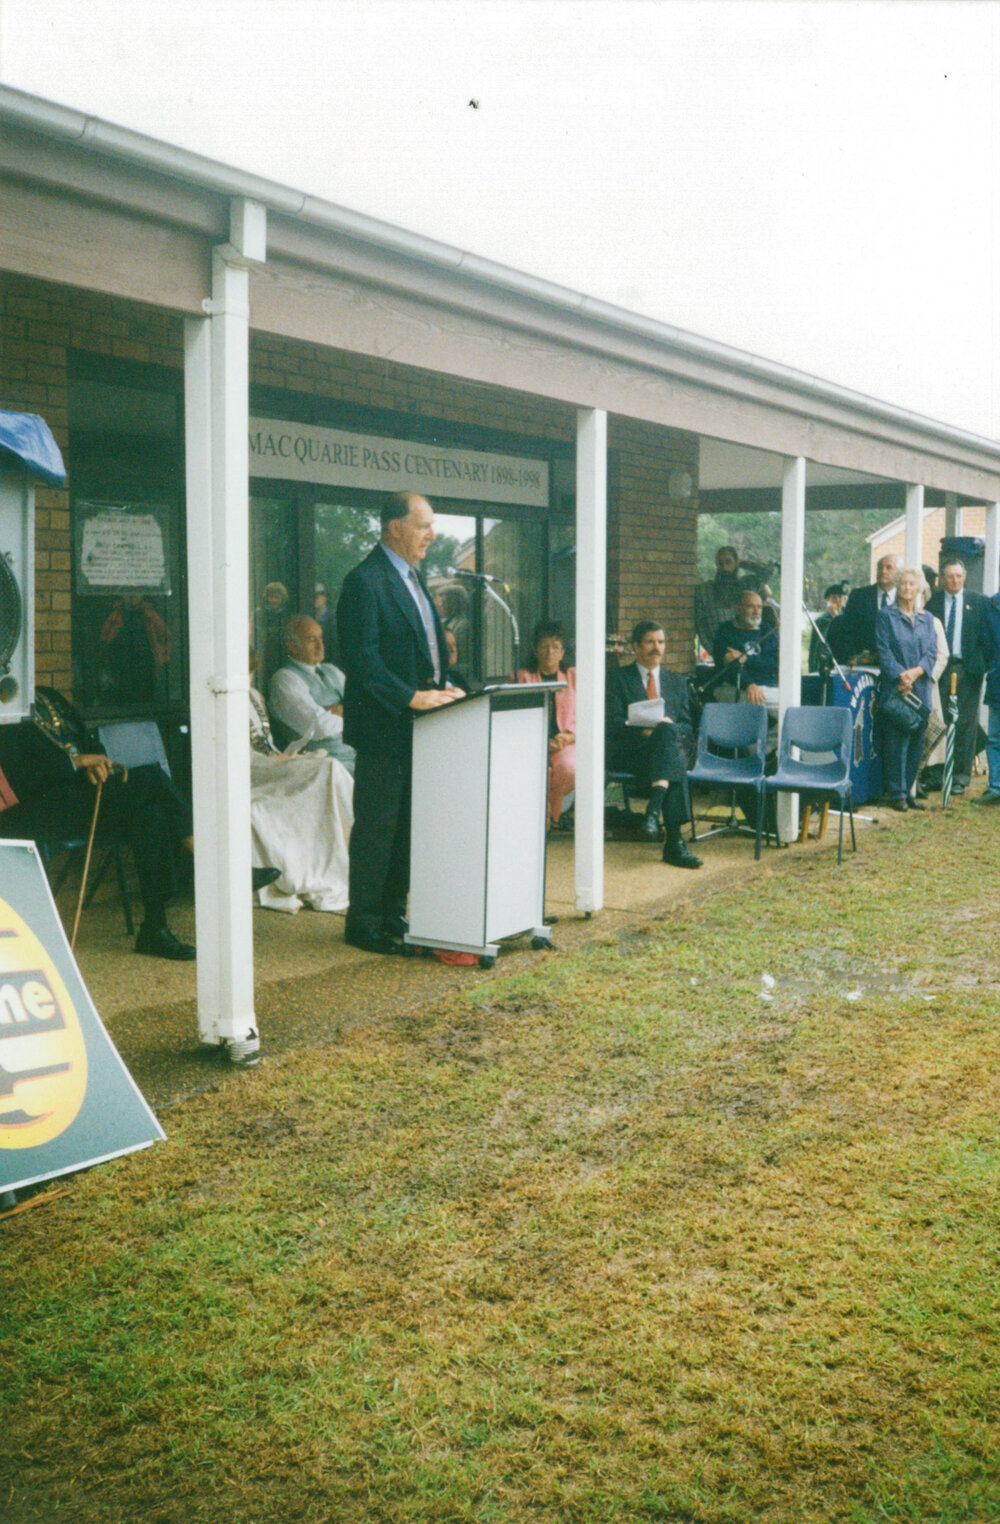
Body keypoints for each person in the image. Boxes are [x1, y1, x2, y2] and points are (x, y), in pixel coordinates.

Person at [336, 490, 464, 954]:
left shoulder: (415, 577)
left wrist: (445, 687)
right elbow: (363, 660)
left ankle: (393, 912)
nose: (432, 535)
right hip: (385, 726)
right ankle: (364, 922)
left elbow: (425, 647)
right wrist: (411, 696)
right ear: (394, 527)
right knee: (377, 827)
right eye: (422, 525)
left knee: (408, 826)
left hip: (422, 725)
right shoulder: (364, 582)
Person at [0, 687, 196, 959]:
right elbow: (20, 777)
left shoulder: (48, 697)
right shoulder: (6, 706)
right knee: (151, 779)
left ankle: (155, 928)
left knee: (152, 814)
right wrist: (75, 762)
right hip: (33, 812)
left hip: (78, 799)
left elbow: (88, 741)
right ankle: (202, 857)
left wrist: (95, 764)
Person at [249, 654, 354, 914]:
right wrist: (277, 760)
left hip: (274, 759)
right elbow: (318, 723)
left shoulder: (253, 695)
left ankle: (350, 859)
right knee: (327, 767)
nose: (320, 646)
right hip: (255, 770)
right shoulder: (224, 696)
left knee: (327, 768)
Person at [606, 619, 701, 869]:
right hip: (632, 751)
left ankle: (653, 814)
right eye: (650, 642)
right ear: (636, 646)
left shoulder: (677, 682)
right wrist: (644, 729)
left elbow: (688, 726)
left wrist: (665, 728)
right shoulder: (617, 678)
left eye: (660, 642)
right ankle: (674, 843)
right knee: (673, 760)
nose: (656, 648)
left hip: (664, 752)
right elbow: (611, 722)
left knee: (669, 734)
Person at [925, 558, 991, 796]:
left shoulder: (979, 602)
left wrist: (981, 664)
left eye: (959, 576)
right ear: (942, 579)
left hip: (968, 670)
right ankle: (936, 774)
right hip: (940, 667)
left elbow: (990, 636)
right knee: (939, 721)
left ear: (964, 578)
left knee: (964, 723)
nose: (954, 581)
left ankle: (960, 777)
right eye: (950, 576)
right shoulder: (934, 602)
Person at [875, 567, 937, 812]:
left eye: (912, 584)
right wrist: (902, 674)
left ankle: (910, 790)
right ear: (897, 587)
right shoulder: (885, 616)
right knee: (896, 742)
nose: (907, 588)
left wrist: (916, 672)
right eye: (903, 584)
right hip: (897, 688)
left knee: (917, 741)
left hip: (920, 687)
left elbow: (932, 652)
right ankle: (897, 793)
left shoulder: (927, 618)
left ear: (919, 587)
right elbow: (883, 650)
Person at [268, 615, 356, 774]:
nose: (320, 645)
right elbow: (320, 726)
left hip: (357, 757)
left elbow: (364, 705)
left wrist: (335, 710)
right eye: (311, 640)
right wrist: (353, 713)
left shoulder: (332, 671)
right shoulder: (285, 679)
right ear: (292, 647)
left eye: (320, 638)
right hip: (326, 767)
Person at [516, 620, 576, 828]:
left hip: (566, 741)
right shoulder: (523, 677)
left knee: (568, 768)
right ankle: (544, 818)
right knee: (538, 771)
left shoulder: (573, 676)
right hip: (533, 742)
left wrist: (569, 736)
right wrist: (540, 740)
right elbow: (518, 718)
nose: (550, 652)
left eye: (556, 646)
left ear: (562, 652)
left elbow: (587, 714)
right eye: (544, 646)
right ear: (534, 650)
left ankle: (552, 814)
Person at [711, 589, 779, 705]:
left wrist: (746, 658)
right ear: (737, 608)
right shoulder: (726, 631)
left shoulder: (767, 630)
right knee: (785, 708)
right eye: (751, 607)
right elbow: (730, 667)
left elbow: (774, 663)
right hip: (734, 687)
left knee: (792, 707)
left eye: (760, 607)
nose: (756, 612)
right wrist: (748, 684)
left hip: (768, 686)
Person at [828, 554, 900, 665]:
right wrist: (854, 657)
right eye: (880, 567)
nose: (883, 571)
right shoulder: (859, 596)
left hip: (895, 665)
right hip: (862, 663)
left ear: (899, 572)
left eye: (889, 567)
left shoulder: (903, 598)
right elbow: (846, 630)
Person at [972, 588, 1000, 805]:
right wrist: (993, 667)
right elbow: (983, 642)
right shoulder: (991, 606)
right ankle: (996, 788)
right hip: (998, 681)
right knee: (995, 738)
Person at [693, 545, 746, 655]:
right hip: (720, 653)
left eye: (728, 562)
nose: (724, 568)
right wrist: (715, 653)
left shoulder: (743, 587)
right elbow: (701, 626)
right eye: (720, 563)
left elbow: (766, 573)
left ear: (736, 563)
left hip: (744, 652)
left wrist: (743, 563)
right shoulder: (705, 591)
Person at [808, 583, 848, 673]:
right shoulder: (821, 621)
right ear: (828, 600)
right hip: (825, 666)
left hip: (843, 666)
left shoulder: (848, 619)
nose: (837, 601)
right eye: (834, 597)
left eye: (840, 597)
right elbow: (814, 650)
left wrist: (837, 619)